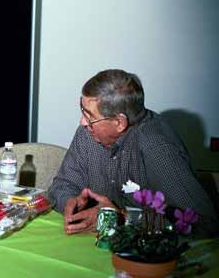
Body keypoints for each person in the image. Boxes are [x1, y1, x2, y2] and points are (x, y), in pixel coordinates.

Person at [48, 69, 219, 237]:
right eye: (82, 110)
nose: (83, 122)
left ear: (119, 122)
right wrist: (72, 204)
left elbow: (205, 223)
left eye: (90, 116)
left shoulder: (158, 147)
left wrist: (122, 218)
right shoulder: (87, 133)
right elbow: (61, 186)